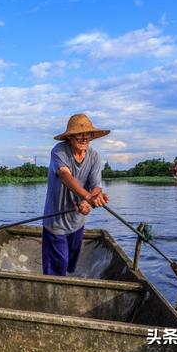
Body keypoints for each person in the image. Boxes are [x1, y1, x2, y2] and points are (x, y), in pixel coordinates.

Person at [42, 113, 110, 276]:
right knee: (58, 267)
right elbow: (65, 176)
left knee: (71, 264)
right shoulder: (59, 151)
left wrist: (88, 202)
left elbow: (96, 186)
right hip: (56, 221)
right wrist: (88, 197)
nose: (84, 137)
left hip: (78, 221)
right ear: (70, 137)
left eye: (87, 134)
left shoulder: (94, 156)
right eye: (79, 134)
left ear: (92, 136)